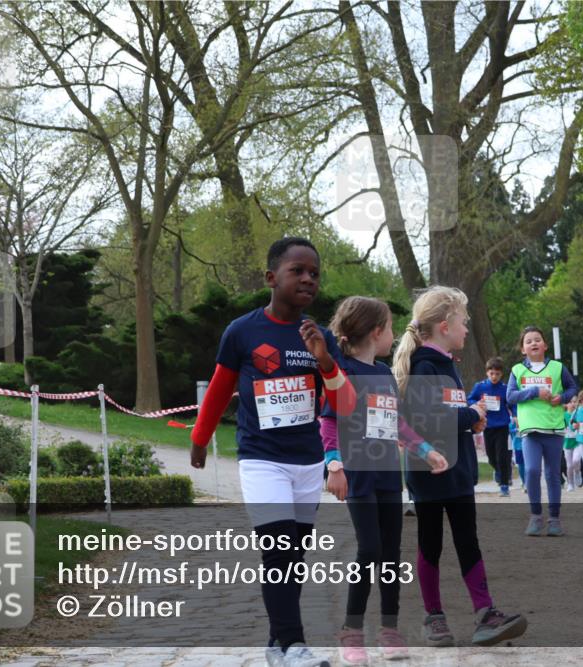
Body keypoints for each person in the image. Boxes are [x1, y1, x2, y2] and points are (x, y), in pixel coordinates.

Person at [189, 237, 357, 667]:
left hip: (307, 462)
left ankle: (277, 646)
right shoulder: (242, 331)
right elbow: (221, 387)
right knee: (279, 551)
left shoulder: (318, 336)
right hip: (262, 460)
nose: (307, 279)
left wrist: (325, 362)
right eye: (297, 271)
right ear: (271, 278)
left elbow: (345, 405)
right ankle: (296, 644)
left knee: (293, 559)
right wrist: (200, 437)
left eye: (314, 273)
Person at [393, 286, 527, 648]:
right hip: (430, 472)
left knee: (469, 540)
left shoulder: (447, 364)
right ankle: (433, 617)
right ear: (443, 325)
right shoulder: (424, 365)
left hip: (458, 471)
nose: (467, 328)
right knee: (430, 543)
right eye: (463, 321)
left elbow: (449, 415)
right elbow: (427, 418)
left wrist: (470, 420)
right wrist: (471, 415)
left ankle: (485, 614)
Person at [321, 296, 448, 665]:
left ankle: (389, 629)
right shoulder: (339, 371)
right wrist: (334, 466)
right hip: (358, 476)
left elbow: (395, 424)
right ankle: (351, 631)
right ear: (376, 332)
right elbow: (328, 421)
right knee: (369, 550)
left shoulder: (383, 375)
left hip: (388, 476)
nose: (394, 335)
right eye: (391, 328)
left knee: (391, 554)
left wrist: (425, 450)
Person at [506, 326, 578, 536]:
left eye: (537, 339)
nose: (534, 343)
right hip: (530, 430)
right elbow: (510, 397)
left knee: (552, 474)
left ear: (545, 345)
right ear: (522, 349)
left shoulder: (557, 367)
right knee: (531, 471)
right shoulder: (517, 370)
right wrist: (534, 391)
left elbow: (573, 388)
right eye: (528, 341)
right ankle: (536, 516)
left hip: (554, 428)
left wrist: (562, 398)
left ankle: (554, 519)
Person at [468, 357, 512, 496]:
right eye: (491, 373)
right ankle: (498, 470)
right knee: (491, 456)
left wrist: (515, 416)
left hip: (502, 426)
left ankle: (504, 486)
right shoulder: (480, 387)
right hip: (487, 425)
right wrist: (478, 403)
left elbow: (512, 404)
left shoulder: (505, 388)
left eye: (497, 374)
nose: (494, 377)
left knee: (502, 456)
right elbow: (470, 399)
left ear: (501, 374)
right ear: (487, 372)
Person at [562, 397, 580, 491]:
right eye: (570, 402)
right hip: (567, 443)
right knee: (569, 465)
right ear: (566, 404)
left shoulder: (578, 414)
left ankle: (577, 472)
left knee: (576, 461)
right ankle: (570, 484)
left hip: (577, 442)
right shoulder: (563, 415)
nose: (573, 404)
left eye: (575, 402)